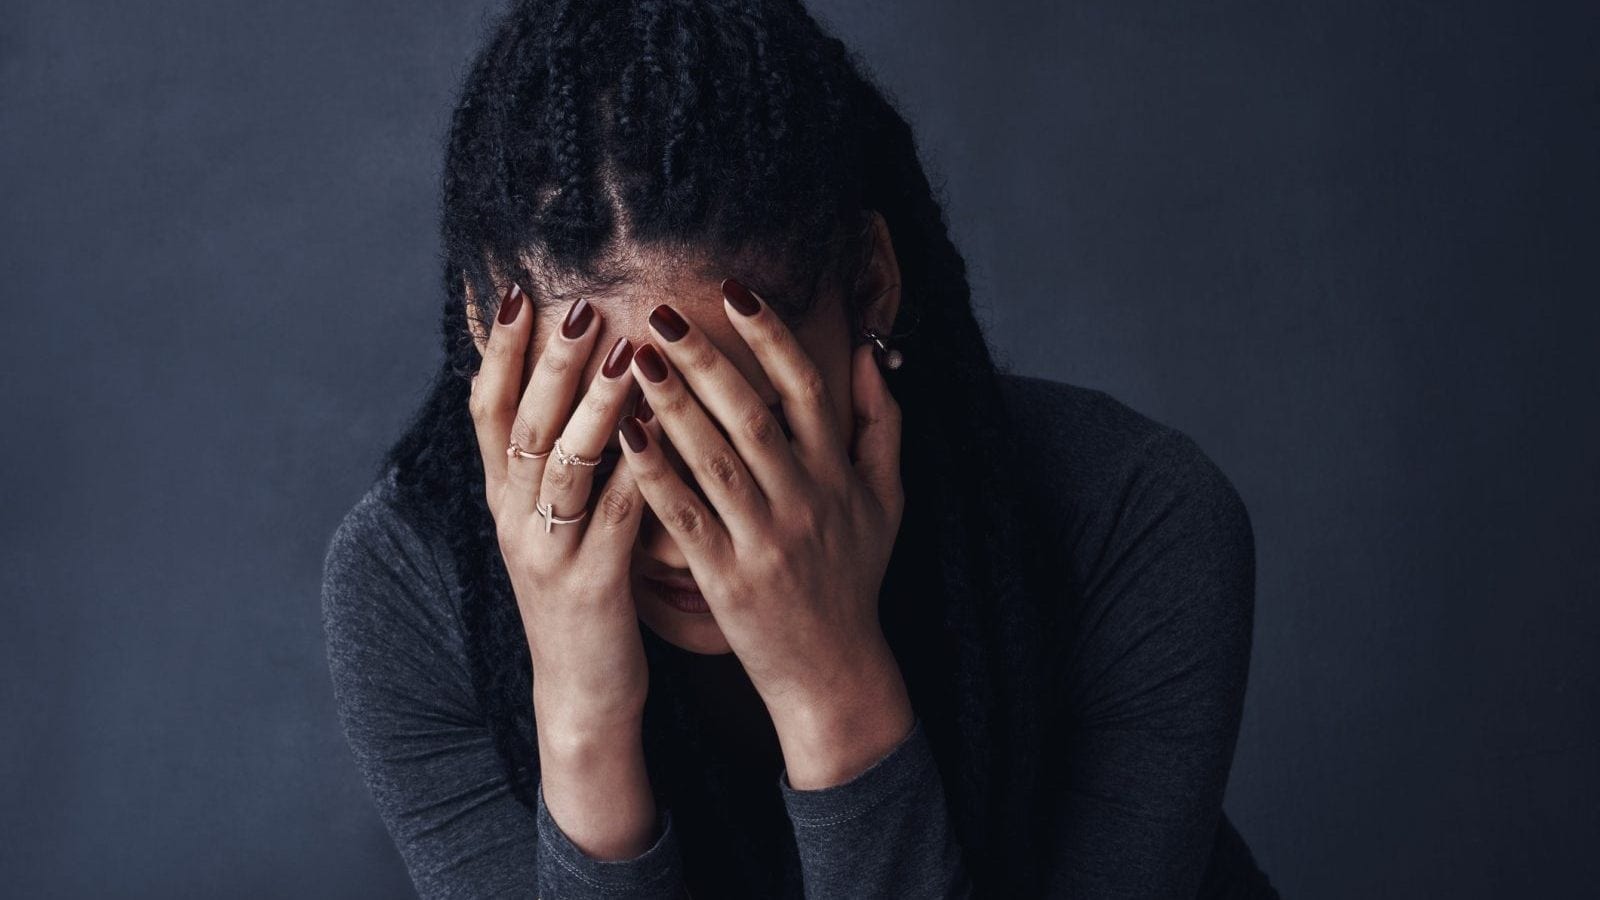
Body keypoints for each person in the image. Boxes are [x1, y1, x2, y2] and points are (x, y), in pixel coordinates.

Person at [320, 1, 1280, 897]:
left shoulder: (1134, 522)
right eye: (605, 427)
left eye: (739, 414)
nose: (680, 524)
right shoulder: (408, 585)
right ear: (488, 333)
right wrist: (579, 724)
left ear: (870, 287)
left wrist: (836, 694)